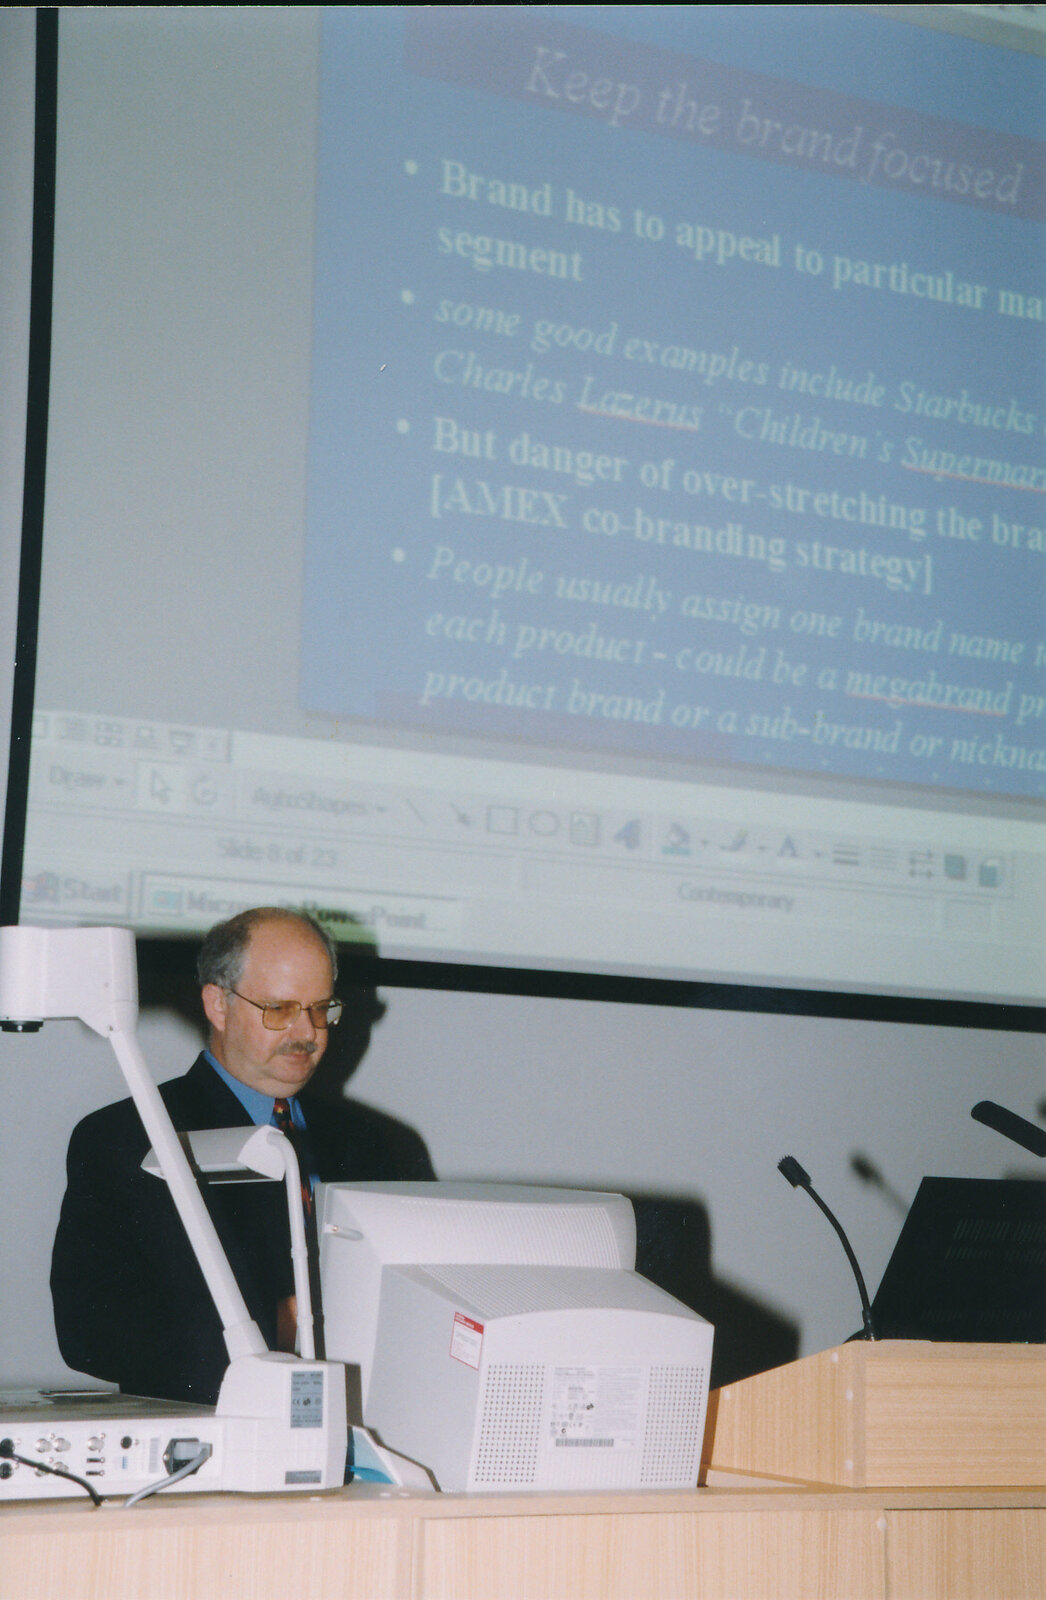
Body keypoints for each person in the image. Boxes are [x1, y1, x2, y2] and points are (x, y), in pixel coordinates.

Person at [50, 907, 434, 1405]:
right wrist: (285, 1323)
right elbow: (91, 1334)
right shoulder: (127, 1136)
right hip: (206, 1426)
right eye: (280, 1009)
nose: (307, 1032)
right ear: (218, 1005)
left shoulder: (373, 1144)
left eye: (321, 1008)